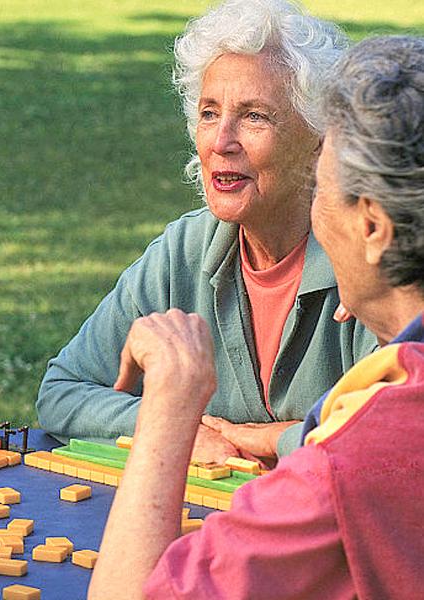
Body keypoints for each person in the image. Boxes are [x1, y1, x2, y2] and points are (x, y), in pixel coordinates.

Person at [90, 34, 424, 599]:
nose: (222, 141)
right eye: (210, 113)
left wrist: (170, 409)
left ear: (372, 227)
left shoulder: (356, 459)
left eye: (322, 187)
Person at [36, 0, 378, 465]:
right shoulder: (184, 251)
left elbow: (392, 439)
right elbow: (63, 393)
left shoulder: (369, 260)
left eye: (255, 116)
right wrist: (174, 428)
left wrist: (276, 441)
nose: (221, 141)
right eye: (210, 112)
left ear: (321, 141)